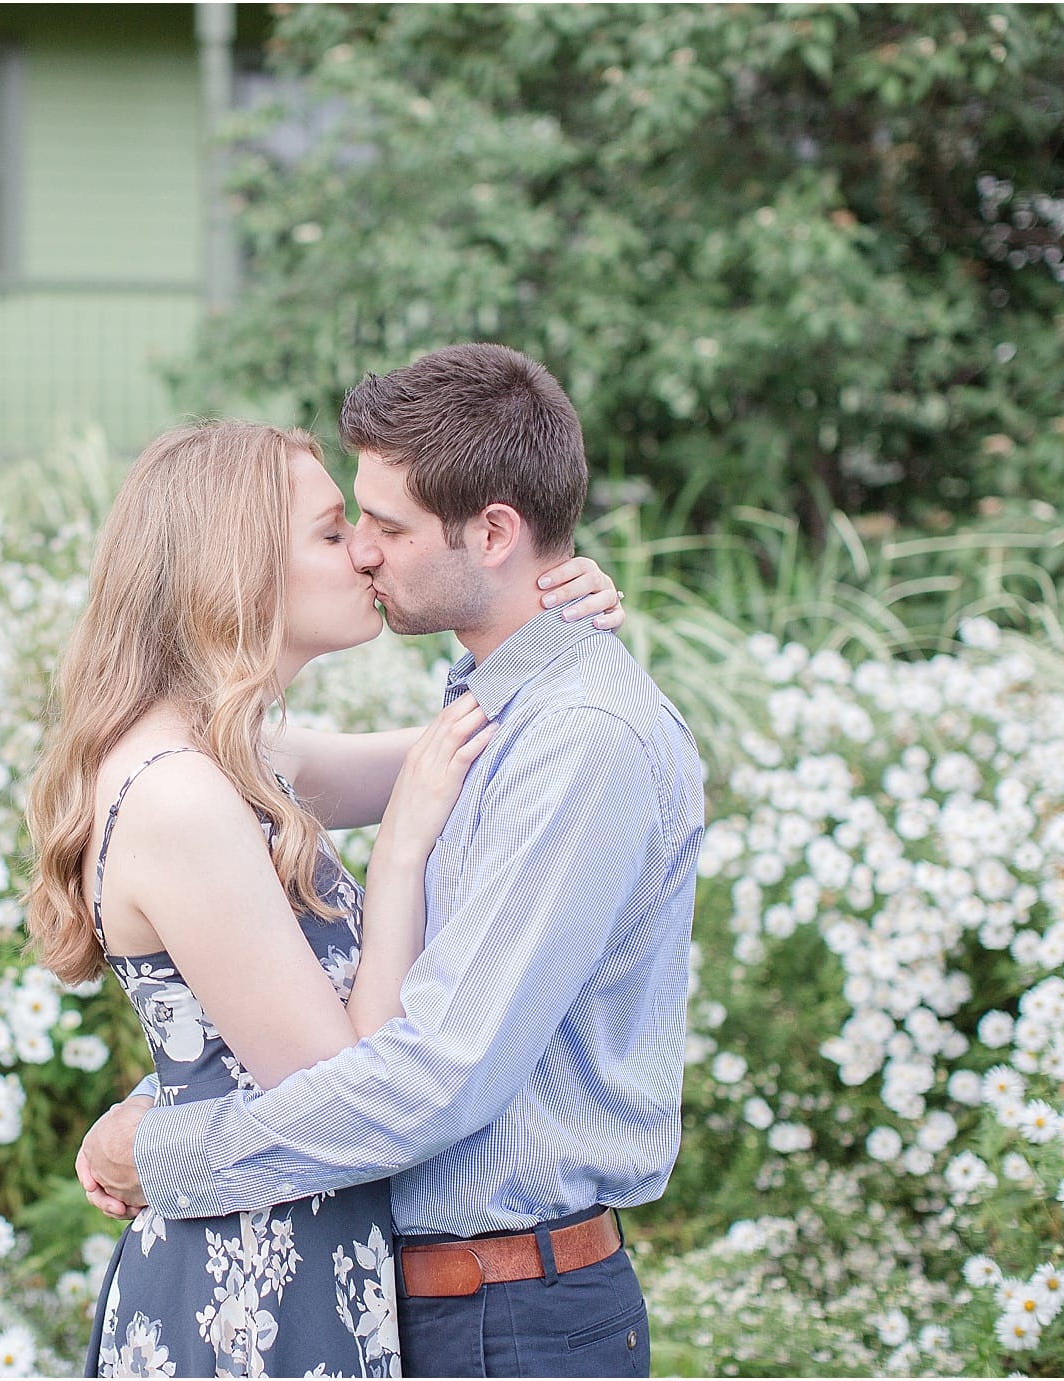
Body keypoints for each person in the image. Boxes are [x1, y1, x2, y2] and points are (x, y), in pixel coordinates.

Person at [76, 343, 704, 1379]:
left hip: (505, 1306)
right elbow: (403, 776)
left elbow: (428, 1084)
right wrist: (545, 624)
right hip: (395, 1295)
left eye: (383, 526)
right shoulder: (219, 768)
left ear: (493, 530)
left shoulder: (575, 738)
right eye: (341, 527)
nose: (364, 552)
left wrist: (161, 1149)